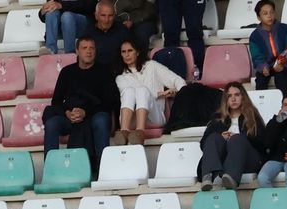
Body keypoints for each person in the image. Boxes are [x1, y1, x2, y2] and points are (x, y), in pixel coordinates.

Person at [42, 36, 118, 173]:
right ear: (77, 51)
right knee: (51, 124)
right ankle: (50, 170)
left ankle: (103, 170)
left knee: (101, 120)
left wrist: (85, 112)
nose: (88, 51)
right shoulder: (67, 72)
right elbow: (56, 102)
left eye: (91, 48)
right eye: (84, 48)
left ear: (96, 51)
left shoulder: (104, 72)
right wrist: (67, 113)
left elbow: (110, 102)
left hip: (95, 114)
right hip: (70, 115)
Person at [114, 37, 183, 142]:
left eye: (130, 51)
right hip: (131, 120)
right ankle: (124, 131)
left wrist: (180, 93)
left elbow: (177, 80)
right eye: (123, 52)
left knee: (142, 90)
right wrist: (160, 94)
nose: (127, 54)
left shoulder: (152, 66)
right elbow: (134, 95)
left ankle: (140, 132)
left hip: (154, 117)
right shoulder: (120, 77)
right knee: (130, 91)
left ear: (137, 52)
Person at [198, 82, 263, 189]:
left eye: (237, 95)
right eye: (229, 96)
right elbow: (203, 145)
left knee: (237, 139)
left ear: (243, 97)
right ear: (225, 100)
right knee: (214, 137)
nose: (233, 99)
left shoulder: (252, 116)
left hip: (246, 160)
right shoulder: (218, 118)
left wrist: (240, 138)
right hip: (222, 162)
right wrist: (221, 137)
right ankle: (207, 176)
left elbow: (262, 143)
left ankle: (231, 177)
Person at [248, 1, 287, 91]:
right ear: (259, 17)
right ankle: (262, 104)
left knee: (280, 77)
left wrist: (282, 63)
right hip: (267, 66)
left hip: (285, 65)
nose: (269, 16)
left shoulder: (284, 29)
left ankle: (283, 103)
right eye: (265, 13)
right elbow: (256, 57)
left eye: (271, 12)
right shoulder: (254, 36)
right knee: (260, 81)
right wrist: (263, 67)